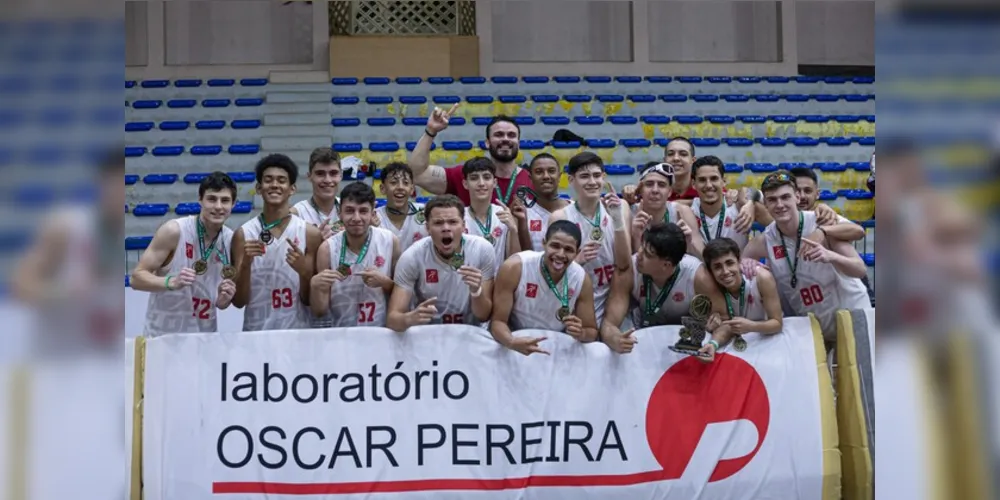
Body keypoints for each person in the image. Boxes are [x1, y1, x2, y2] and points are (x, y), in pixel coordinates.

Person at [13, 147, 127, 353]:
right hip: (57, 365)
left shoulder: (126, 239)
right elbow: (22, 286)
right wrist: (63, 293)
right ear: (104, 184)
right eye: (119, 184)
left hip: (102, 364)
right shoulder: (67, 227)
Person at [740, 171, 870, 342]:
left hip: (851, 315)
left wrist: (830, 255)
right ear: (766, 204)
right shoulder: (766, 239)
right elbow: (740, 262)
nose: (780, 204)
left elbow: (860, 269)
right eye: (772, 200)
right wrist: (747, 263)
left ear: (797, 197)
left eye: (785, 197)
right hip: (812, 327)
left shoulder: (819, 221)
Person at [130, 172, 237, 336]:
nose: (218, 206)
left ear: (233, 204)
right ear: (200, 200)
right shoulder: (174, 231)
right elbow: (136, 278)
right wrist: (170, 282)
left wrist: (223, 300)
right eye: (211, 199)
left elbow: (219, 301)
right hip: (163, 339)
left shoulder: (231, 240)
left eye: (225, 200)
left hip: (204, 340)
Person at [231, 154, 322, 331]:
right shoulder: (243, 234)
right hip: (256, 333)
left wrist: (304, 271)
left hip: (298, 333)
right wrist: (245, 266)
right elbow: (239, 302)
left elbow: (310, 301)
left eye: (281, 180)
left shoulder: (310, 233)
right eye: (268, 180)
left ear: (292, 189)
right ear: (258, 188)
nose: (274, 185)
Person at [386, 195, 496, 331]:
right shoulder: (412, 256)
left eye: (453, 222)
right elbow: (392, 319)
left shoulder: (482, 250)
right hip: (429, 334)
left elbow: (483, 316)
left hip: (469, 333)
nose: (446, 228)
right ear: (427, 227)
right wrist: (410, 318)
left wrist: (476, 291)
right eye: (438, 223)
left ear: (463, 226)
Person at [490, 221, 599, 355]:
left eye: (569, 249)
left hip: (556, 348)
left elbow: (591, 331)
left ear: (577, 252)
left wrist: (581, 333)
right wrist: (511, 341)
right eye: (555, 246)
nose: (560, 254)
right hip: (516, 342)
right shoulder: (515, 267)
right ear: (544, 243)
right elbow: (497, 322)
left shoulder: (581, 279)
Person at [548, 152, 631, 326]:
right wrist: (576, 261)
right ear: (571, 180)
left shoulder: (619, 207)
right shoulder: (560, 217)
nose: (592, 182)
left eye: (596, 175)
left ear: (604, 177)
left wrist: (617, 220)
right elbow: (552, 273)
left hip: (612, 298)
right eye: (584, 176)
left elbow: (624, 264)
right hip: (576, 298)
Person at [601, 223, 710, 354]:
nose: (639, 254)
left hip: (684, 342)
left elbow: (723, 318)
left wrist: (714, 321)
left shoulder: (698, 276)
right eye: (642, 246)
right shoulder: (629, 270)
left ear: (666, 265)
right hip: (641, 336)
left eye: (647, 254)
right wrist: (615, 339)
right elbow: (608, 324)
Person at [310, 182, 400, 327]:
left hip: (380, 333)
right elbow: (320, 311)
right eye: (350, 210)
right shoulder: (327, 249)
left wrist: (385, 283)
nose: (356, 218)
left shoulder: (390, 241)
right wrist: (315, 287)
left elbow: (403, 297)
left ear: (373, 213)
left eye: (363, 211)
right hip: (341, 335)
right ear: (340, 213)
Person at [408, 105, 532, 206]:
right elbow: (416, 174)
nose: (505, 139)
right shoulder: (466, 175)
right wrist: (431, 131)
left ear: (519, 143)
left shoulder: (533, 180)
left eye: (511, 135)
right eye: (498, 135)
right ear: (487, 143)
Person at [695, 238, 784, 361]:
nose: (725, 271)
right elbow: (727, 326)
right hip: (737, 346)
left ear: (739, 261)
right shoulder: (713, 287)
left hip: (766, 340)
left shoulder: (762, 278)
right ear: (711, 271)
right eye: (717, 267)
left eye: (730, 263)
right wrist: (713, 344)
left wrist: (752, 326)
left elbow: (777, 323)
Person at [629, 161, 705, 258]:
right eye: (649, 184)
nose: (655, 190)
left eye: (661, 185)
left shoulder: (682, 212)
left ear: (669, 192)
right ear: (640, 189)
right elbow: (624, 265)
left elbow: (702, 260)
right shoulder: (629, 213)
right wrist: (636, 237)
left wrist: (689, 244)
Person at [461, 156, 520, 273]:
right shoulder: (459, 217)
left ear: (494, 182)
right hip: (467, 285)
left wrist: (513, 230)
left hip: (499, 285)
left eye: (486, 177)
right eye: (474, 178)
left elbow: (514, 261)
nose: (481, 183)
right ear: (465, 184)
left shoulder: (504, 215)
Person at [690, 155, 751, 251]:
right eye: (702, 180)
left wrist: (751, 201)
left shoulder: (739, 206)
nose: (709, 185)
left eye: (714, 179)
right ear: (693, 184)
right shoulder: (687, 210)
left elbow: (763, 195)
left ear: (724, 181)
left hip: (738, 265)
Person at [512, 153, 570, 252]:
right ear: (530, 178)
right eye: (539, 172)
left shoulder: (573, 209)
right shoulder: (521, 211)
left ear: (559, 176)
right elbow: (522, 256)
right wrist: (522, 223)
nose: (546, 176)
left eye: (551, 171)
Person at [291, 147, 350, 239]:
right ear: (309, 177)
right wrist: (315, 243)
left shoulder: (350, 209)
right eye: (320, 173)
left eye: (333, 173)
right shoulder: (298, 214)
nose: (327, 180)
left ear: (341, 175)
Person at [622, 137, 700, 203]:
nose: (676, 158)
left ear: (693, 160)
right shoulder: (652, 190)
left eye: (683, 154)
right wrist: (629, 197)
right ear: (665, 160)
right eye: (670, 154)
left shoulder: (703, 188)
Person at [376, 161, 427, 252]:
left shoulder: (425, 213)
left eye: (406, 183)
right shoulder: (374, 218)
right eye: (393, 182)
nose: (400, 187)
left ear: (411, 189)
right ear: (382, 188)